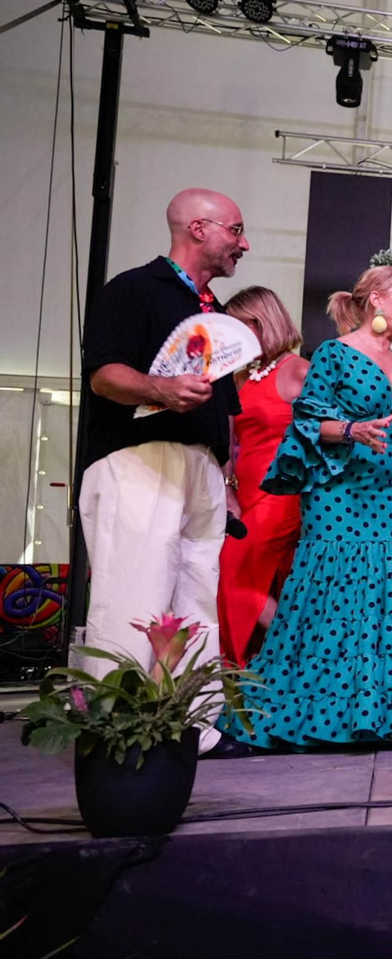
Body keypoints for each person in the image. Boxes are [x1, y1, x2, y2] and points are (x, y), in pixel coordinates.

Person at [221, 256, 392, 748]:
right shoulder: (333, 355)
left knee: (387, 596)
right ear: (377, 301)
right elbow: (306, 423)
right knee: (333, 597)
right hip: (339, 496)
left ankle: (382, 715)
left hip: (386, 497)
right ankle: (311, 716)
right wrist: (349, 430)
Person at [78, 188, 248, 754]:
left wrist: (227, 480)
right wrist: (159, 388)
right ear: (198, 229)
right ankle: (115, 729)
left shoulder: (212, 313)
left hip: (199, 467)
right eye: (235, 231)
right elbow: (104, 375)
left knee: (197, 598)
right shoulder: (133, 289)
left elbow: (225, 409)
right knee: (135, 594)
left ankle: (191, 730)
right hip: (139, 458)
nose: (242, 244)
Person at [217, 286, 309, 666]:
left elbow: (326, 435)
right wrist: (227, 490)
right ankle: (272, 663)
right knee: (259, 580)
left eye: (240, 328)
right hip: (245, 494)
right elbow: (227, 440)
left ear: (262, 322)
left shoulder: (300, 371)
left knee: (233, 576)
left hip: (282, 496)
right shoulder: (241, 378)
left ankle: (299, 646)